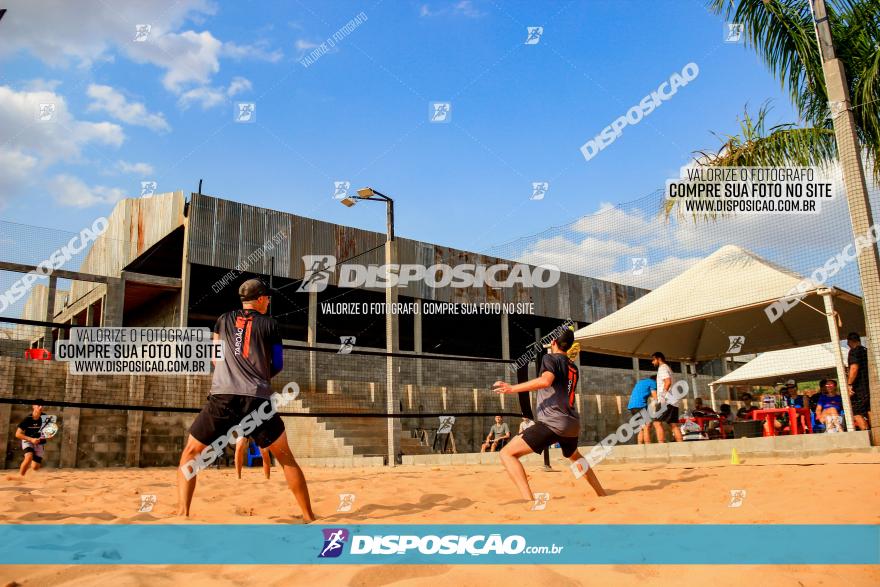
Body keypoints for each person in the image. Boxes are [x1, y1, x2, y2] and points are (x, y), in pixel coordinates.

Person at [177, 279, 316, 521]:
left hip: (224, 397)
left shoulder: (223, 319)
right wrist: (260, 375)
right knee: (285, 457)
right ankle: (308, 516)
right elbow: (278, 364)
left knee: (190, 454)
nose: (270, 301)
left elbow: (214, 357)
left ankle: (182, 513)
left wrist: (231, 373)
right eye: (268, 298)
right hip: (257, 399)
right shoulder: (271, 324)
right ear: (261, 298)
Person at [493, 328, 606, 502]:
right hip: (572, 423)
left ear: (553, 343)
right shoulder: (573, 366)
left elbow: (546, 381)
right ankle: (601, 493)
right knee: (574, 455)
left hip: (553, 423)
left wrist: (511, 388)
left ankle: (528, 501)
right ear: (568, 347)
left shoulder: (549, 358)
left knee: (507, 454)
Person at [15, 401, 53, 478]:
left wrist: (47, 434)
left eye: (42, 405)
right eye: (38, 405)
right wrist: (31, 439)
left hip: (39, 443)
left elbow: (49, 433)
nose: (41, 407)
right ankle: (20, 478)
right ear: (33, 406)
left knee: (35, 467)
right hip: (28, 441)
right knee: (28, 458)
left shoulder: (46, 418)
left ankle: (29, 473)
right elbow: (17, 434)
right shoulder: (28, 419)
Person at [650, 352, 682, 442]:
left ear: (659, 359)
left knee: (656, 423)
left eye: (653, 360)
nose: (652, 362)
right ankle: (681, 445)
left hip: (666, 400)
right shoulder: (668, 368)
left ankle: (661, 446)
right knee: (673, 425)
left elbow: (668, 382)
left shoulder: (662, 368)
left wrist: (663, 397)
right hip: (673, 400)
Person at [846, 332, 870, 431]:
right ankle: (876, 433)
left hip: (860, 388)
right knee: (870, 409)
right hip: (869, 386)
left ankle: (866, 433)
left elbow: (854, 368)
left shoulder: (854, 351)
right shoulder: (866, 351)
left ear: (849, 342)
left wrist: (849, 384)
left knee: (855, 411)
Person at [626, 376, 656, 444]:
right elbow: (655, 397)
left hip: (632, 406)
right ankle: (648, 446)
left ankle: (640, 446)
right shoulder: (653, 382)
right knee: (646, 426)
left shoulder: (641, 382)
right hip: (639, 406)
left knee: (641, 427)